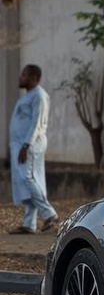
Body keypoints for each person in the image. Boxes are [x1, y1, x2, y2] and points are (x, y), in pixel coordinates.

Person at [8, 64, 59, 234]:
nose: (21, 77)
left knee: (29, 179)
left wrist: (26, 145)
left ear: (34, 78)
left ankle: (50, 215)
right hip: (21, 145)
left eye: (24, 75)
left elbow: (36, 123)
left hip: (30, 144)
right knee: (26, 181)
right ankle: (29, 224)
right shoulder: (27, 96)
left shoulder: (39, 95)